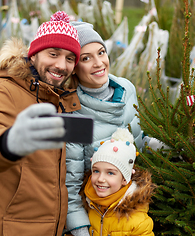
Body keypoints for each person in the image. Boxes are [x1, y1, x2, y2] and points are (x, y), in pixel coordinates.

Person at [0, 11, 81, 236]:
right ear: (33, 55)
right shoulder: (1, 90)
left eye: (70, 58)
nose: (61, 65)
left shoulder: (59, 96)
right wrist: (9, 143)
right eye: (53, 54)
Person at [65, 22, 164, 236]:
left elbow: (136, 141)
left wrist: (164, 146)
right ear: (74, 67)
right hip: (97, 216)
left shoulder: (126, 89)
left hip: (131, 207)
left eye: (101, 52)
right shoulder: (74, 113)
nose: (99, 63)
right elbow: (70, 189)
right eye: (86, 58)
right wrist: (81, 232)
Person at [82, 128, 156, 236]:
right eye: (96, 171)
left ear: (125, 179)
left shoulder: (138, 222)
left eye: (110, 173)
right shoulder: (90, 204)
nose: (100, 179)